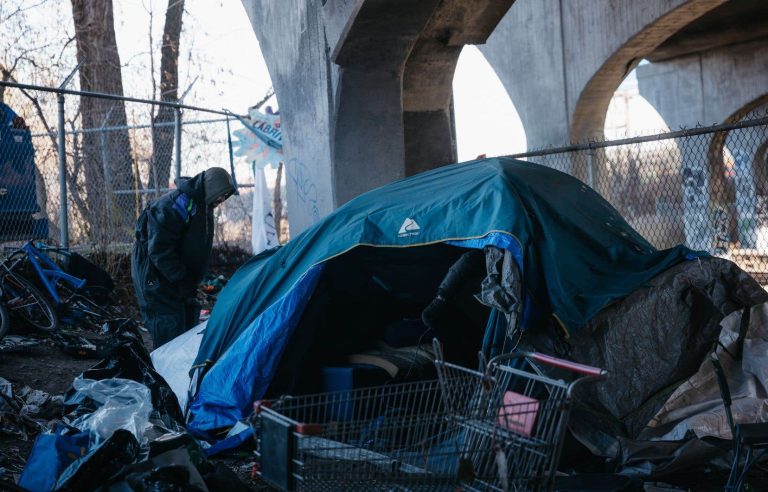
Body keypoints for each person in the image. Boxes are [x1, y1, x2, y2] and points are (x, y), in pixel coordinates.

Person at [131, 167, 235, 348]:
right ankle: (164, 372)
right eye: (220, 195)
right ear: (211, 188)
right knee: (168, 322)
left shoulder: (203, 204)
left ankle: (178, 370)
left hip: (178, 275)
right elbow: (159, 250)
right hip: (155, 274)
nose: (222, 200)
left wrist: (193, 279)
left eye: (225, 197)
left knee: (188, 318)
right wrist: (182, 278)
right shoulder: (175, 205)